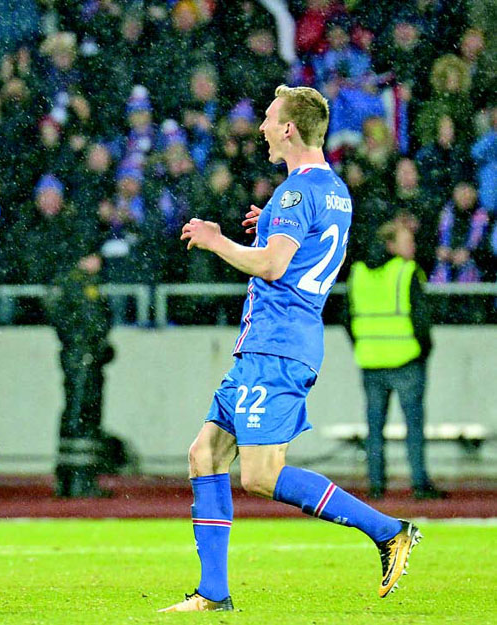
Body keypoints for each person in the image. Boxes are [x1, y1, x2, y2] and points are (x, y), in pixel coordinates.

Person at [160, 85, 421, 613]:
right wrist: (269, 226)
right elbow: (302, 247)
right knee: (204, 454)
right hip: (272, 343)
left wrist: (216, 240)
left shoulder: (295, 194)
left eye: (268, 119)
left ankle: (388, 530)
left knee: (260, 474)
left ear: (288, 129)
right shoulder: (333, 190)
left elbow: (274, 266)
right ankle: (212, 593)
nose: (261, 128)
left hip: (276, 346)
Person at [346, 219, 443, 500]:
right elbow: (421, 318)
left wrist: (364, 345)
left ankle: (376, 485)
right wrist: (423, 350)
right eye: (407, 242)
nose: (413, 247)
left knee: (374, 428)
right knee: (414, 426)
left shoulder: (358, 272)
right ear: (390, 245)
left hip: (370, 361)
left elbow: (347, 317)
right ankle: (419, 483)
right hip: (406, 360)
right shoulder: (406, 271)